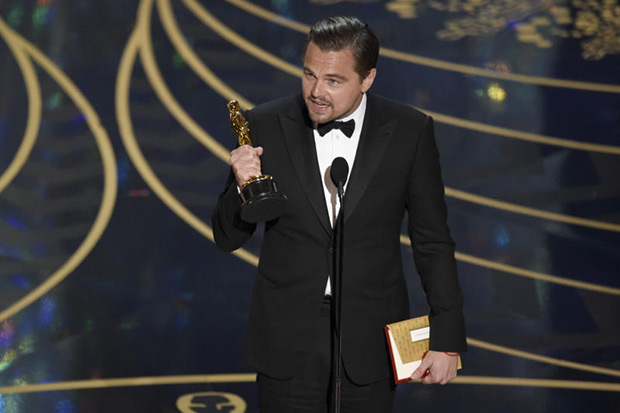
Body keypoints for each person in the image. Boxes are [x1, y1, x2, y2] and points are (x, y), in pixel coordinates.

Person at [212, 16, 466, 413]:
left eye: (333, 81)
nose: (315, 92)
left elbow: (432, 241)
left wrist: (447, 338)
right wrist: (240, 185)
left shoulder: (409, 131)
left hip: (371, 340)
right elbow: (227, 238)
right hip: (287, 339)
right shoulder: (265, 123)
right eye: (309, 74)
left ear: (367, 79)